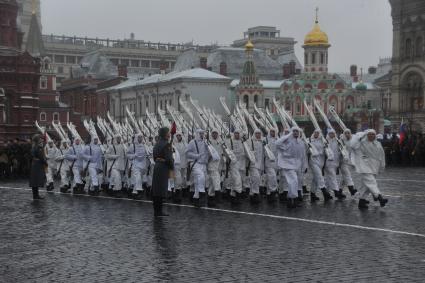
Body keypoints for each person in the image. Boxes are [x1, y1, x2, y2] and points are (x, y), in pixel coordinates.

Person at [351, 129, 388, 209]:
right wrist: (359, 137)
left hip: (374, 168)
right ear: (366, 135)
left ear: (375, 135)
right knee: (372, 182)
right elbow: (352, 146)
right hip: (364, 167)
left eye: (373, 134)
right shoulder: (361, 143)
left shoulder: (378, 144)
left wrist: (382, 166)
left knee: (366, 186)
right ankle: (380, 198)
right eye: (369, 134)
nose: (371, 136)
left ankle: (361, 202)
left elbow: (382, 156)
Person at [275, 127, 307, 208]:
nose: (295, 133)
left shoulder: (301, 142)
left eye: (297, 131)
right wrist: (289, 134)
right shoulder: (287, 141)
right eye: (294, 131)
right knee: (294, 181)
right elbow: (277, 143)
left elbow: (303, 156)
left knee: (293, 183)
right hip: (287, 165)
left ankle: (291, 200)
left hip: (297, 165)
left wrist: (304, 165)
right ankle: (293, 199)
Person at [152, 127, 174, 217]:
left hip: (157, 166)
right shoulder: (167, 145)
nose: (169, 134)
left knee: (156, 189)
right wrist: (172, 168)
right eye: (168, 133)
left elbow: (154, 157)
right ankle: (159, 211)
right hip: (163, 167)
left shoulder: (157, 144)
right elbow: (169, 159)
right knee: (161, 190)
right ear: (165, 134)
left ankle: (156, 211)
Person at [186, 129, 209, 207]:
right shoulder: (192, 142)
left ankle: (196, 199)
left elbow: (209, 152)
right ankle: (202, 193)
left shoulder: (205, 142)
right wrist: (196, 156)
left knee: (197, 182)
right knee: (200, 177)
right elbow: (187, 153)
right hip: (195, 163)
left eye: (203, 133)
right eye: (200, 133)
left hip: (203, 164)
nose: (202, 135)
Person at [127, 133, 148, 200]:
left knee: (139, 179)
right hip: (136, 165)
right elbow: (127, 155)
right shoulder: (132, 146)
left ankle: (134, 192)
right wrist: (134, 155)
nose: (140, 138)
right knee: (138, 178)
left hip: (142, 166)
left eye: (141, 137)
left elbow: (148, 154)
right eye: (139, 137)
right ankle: (139, 191)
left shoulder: (144, 146)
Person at [29, 134, 47, 200]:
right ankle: (36, 196)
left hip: (34, 165)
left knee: (34, 181)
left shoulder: (33, 146)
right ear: (38, 139)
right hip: (38, 165)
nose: (41, 139)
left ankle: (35, 195)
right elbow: (41, 157)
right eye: (40, 138)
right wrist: (45, 163)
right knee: (36, 181)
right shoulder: (38, 147)